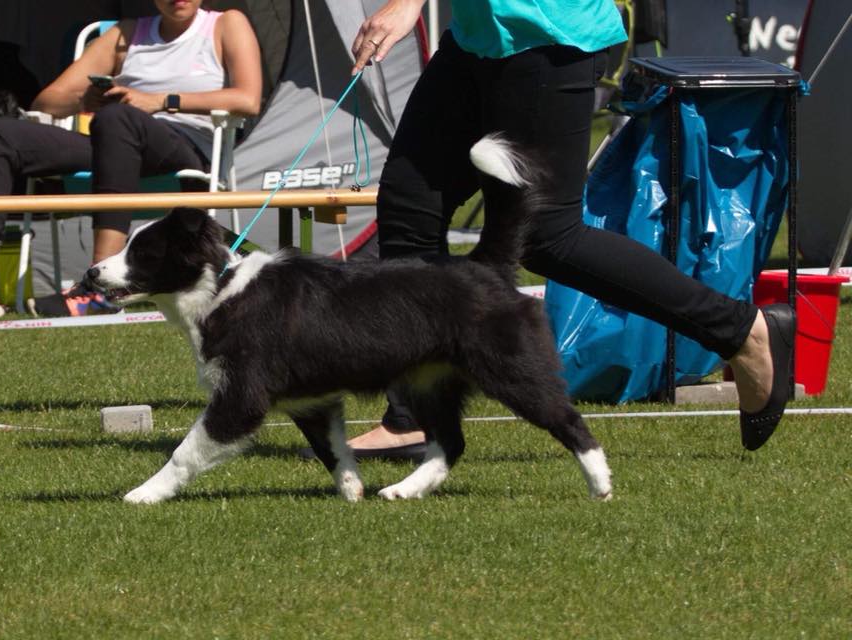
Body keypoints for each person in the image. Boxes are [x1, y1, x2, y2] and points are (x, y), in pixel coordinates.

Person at [325, 0, 795, 457]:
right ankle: (415, 417)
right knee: (411, 206)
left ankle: (739, 329)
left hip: (548, 33)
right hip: (477, 35)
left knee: (545, 235)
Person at [0, 0, 261, 318]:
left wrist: (161, 101)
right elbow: (47, 101)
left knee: (118, 118)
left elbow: (248, 99)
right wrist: (86, 99)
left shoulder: (225, 24)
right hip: (116, 143)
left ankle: (99, 287)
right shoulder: (125, 33)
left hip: (184, 149)